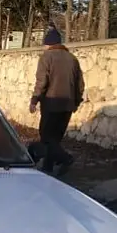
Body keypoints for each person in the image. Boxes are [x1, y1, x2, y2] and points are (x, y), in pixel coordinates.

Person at [29, 27, 84, 176]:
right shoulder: (73, 59)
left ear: (49, 44)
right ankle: (48, 168)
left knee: (46, 137)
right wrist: (76, 102)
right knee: (56, 139)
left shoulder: (46, 57)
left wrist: (34, 100)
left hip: (51, 103)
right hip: (67, 105)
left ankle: (66, 159)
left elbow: (42, 81)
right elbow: (80, 84)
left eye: (45, 44)